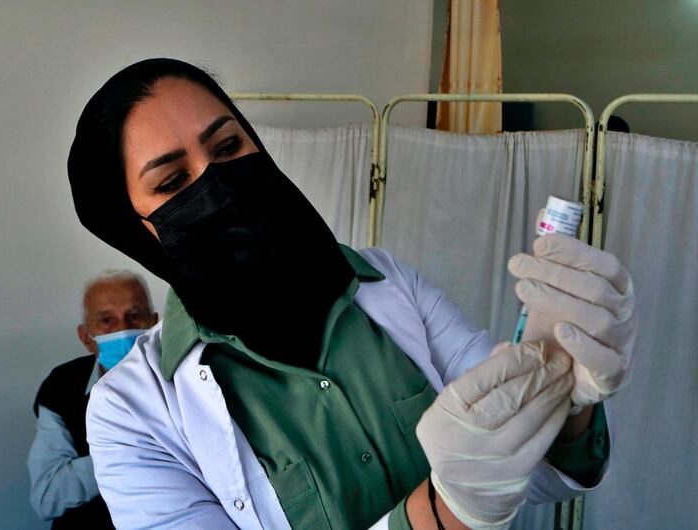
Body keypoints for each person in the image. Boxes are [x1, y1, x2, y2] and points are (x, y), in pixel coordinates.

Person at [66, 59, 637, 529]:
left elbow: (524, 471)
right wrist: (439, 514)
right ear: (132, 230)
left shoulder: (391, 287)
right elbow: (466, 497)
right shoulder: (131, 413)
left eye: (227, 147)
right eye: (171, 183)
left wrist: (558, 393)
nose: (217, 184)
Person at [27, 270, 159, 528]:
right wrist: (128, 449)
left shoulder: (191, 378)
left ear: (153, 324)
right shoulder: (61, 387)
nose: (123, 329)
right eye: (107, 320)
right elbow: (47, 496)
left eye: (134, 316)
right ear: (86, 337)